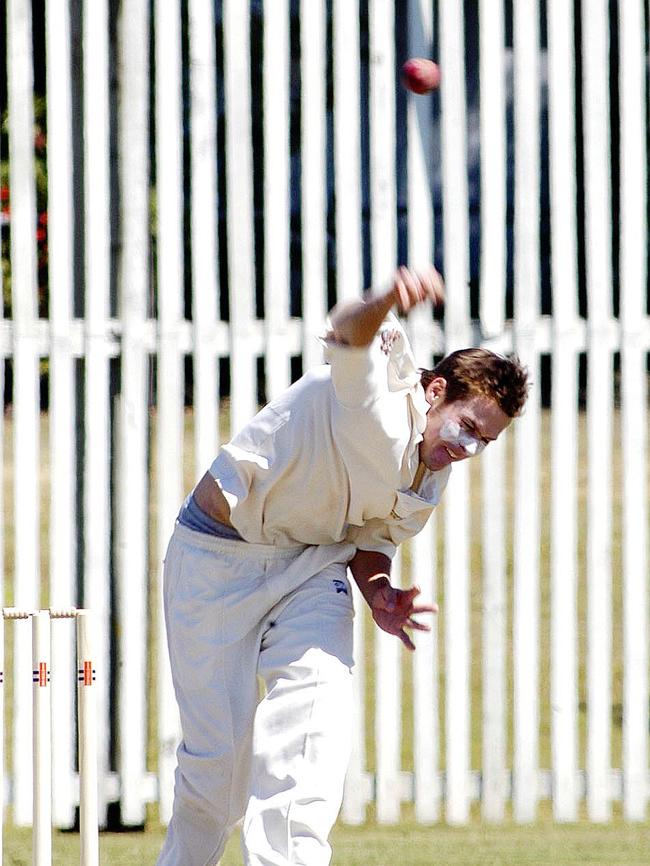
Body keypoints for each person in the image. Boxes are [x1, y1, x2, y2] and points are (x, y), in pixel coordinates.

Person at [156, 265, 529, 866]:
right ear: (434, 392)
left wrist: (380, 592)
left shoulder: (433, 473)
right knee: (218, 769)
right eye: (466, 427)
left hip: (311, 564)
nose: (467, 448)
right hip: (216, 556)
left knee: (314, 726)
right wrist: (389, 298)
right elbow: (346, 332)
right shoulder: (375, 400)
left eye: (484, 441)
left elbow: (373, 540)